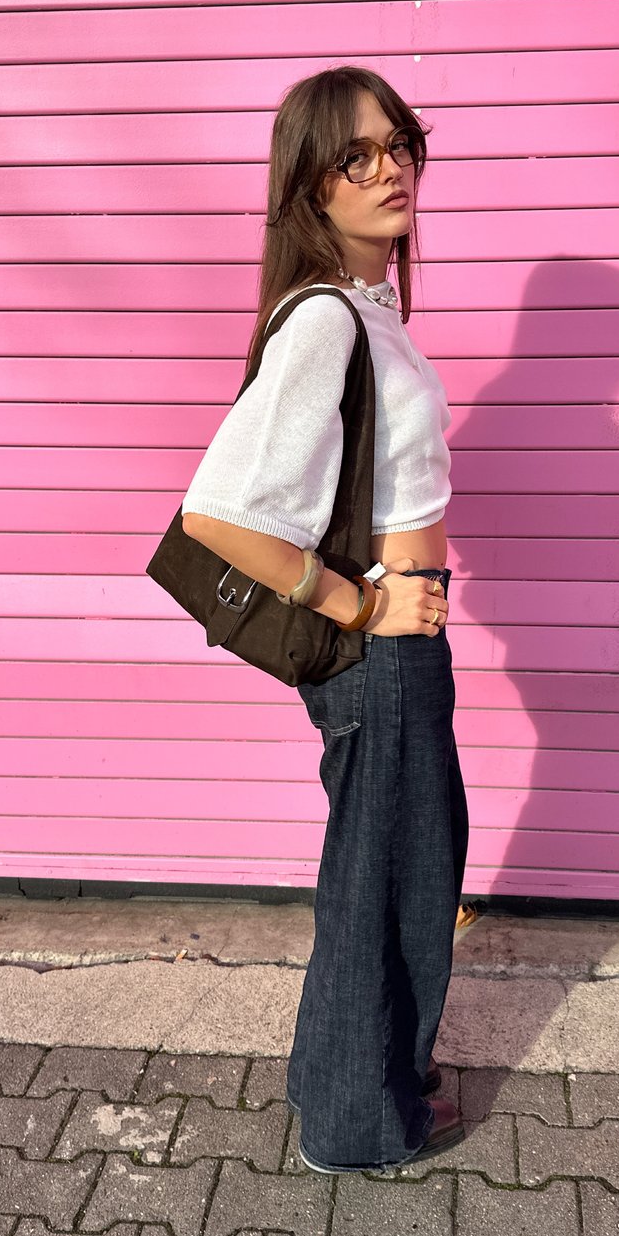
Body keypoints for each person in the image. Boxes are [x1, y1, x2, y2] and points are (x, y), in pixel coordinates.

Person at [180, 64, 470, 1174]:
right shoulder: (325, 324)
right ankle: (360, 1122)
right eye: (357, 155)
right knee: (388, 883)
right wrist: (361, 601)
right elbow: (218, 517)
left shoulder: (368, 312)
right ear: (311, 185)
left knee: (389, 870)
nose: (389, 168)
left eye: (399, 145)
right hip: (380, 654)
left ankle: (349, 1074)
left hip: (404, 648)